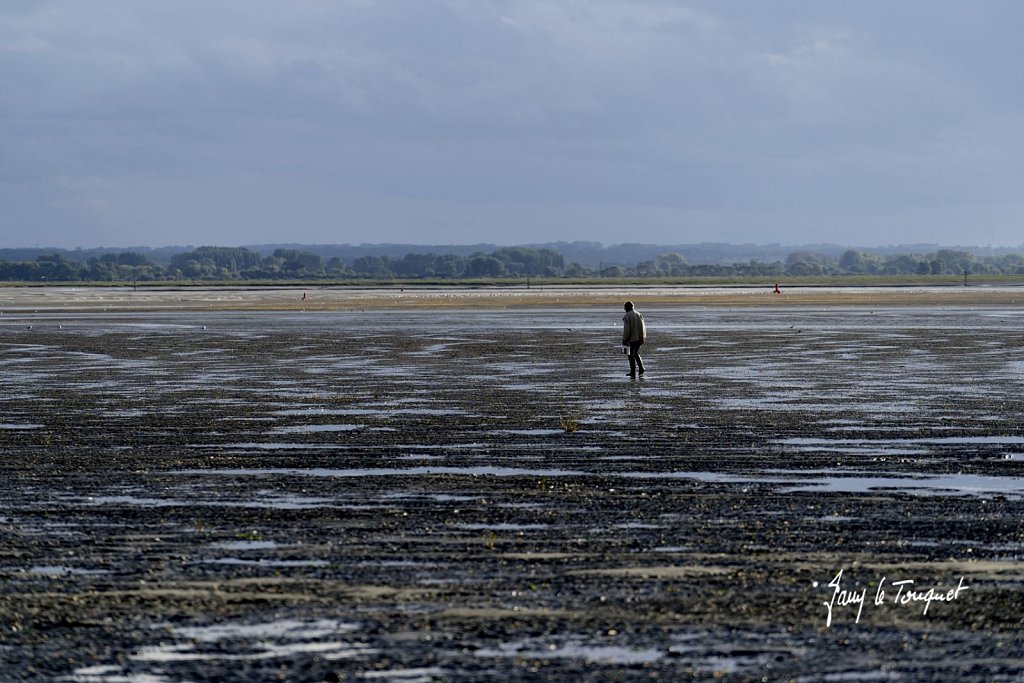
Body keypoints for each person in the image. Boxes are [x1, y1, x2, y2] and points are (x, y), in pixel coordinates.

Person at [622, 301, 646, 377]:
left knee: (630, 355)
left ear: (627, 307)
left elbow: (627, 330)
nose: (624, 309)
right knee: (636, 353)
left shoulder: (627, 316)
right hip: (639, 338)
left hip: (631, 339)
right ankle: (641, 368)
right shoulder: (639, 314)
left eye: (625, 307)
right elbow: (643, 328)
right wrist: (642, 338)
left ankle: (633, 371)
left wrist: (624, 339)